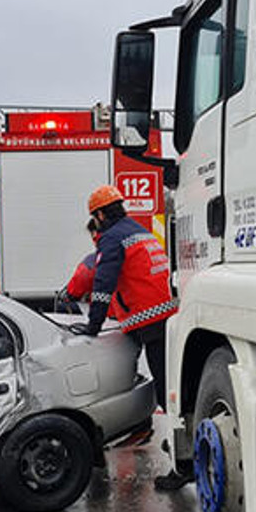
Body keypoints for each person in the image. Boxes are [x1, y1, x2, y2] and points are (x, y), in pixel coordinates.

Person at [69, 185, 187, 489]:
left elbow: (103, 284)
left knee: (166, 390)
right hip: (166, 314)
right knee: (169, 381)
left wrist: (93, 326)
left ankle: (182, 463)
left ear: (99, 213)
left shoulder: (111, 238)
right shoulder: (139, 230)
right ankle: (160, 434)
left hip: (149, 318)